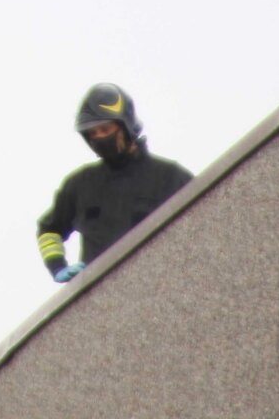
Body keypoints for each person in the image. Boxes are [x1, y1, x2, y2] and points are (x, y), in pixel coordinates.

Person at [36, 83, 193, 283]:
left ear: (126, 127)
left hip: (161, 287)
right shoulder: (80, 185)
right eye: (93, 133)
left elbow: (207, 222)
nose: (99, 138)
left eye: (105, 129)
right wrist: (57, 267)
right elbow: (49, 230)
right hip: (99, 298)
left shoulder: (170, 177)